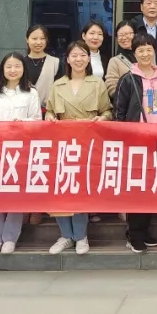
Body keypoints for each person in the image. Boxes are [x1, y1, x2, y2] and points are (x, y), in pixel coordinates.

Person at [46, 41, 114, 255]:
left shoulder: (97, 83)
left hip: (87, 144)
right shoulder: (58, 85)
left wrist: (102, 118)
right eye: (74, 55)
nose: (78, 59)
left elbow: (108, 111)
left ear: (88, 59)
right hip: (62, 144)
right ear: (67, 59)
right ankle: (65, 235)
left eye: (83, 55)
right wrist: (49, 117)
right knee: (61, 190)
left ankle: (81, 236)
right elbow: (49, 111)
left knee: (80, 189)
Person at [115, 33, 157, 253]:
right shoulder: (128, 79)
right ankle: (134, 233)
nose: (145, 54)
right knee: (137, 188)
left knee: (150, 187)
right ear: (134, 53)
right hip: (136, 142)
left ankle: (145, 231)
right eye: (140, 50)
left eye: (149, 49)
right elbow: (119, 113)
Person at [0, 52, 42, 255]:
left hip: (21, 149)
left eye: (17, 66)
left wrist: (22, 123)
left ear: (24, 69)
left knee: (16, 193)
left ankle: (10, 237)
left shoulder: (31, 93)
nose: (13, 70)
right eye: (8, 66)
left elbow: (37, 120)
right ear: (2, 69)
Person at [23, 24, 62, 113]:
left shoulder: (55, 62)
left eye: (42, 38)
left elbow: (60, 90)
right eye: (34, 38)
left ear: (46, 40)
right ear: (27, 39)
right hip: (24, 112)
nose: (38, 42)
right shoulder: (20, 63)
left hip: (49, 113)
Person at [104, 21, 136, 98]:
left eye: (128, 34)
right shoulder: (115, 61)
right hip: (127, 103)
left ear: (136, 34)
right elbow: (111, 88)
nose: (124, 38)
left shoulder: (146, 56)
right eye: (120, 35)